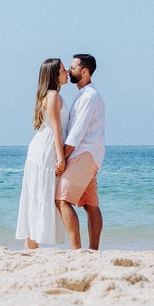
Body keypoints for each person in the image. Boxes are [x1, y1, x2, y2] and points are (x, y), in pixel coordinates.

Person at [16, 58, 69, 249]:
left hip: (43, 146)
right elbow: (57, 129)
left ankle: (30, 246)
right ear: (54, 74)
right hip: (46, 148)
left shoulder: (51, 95)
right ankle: (31, 245)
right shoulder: (53, 95)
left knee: (37, 194)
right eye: (63, 70)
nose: (67, 72)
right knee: (39, 193)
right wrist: (61, 158)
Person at [57, 54, 106, 250]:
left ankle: (76, 248)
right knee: (90, 204)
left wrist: (62, 157)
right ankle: (93, 250)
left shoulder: (89, 97)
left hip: (83, 154)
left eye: (73, 68)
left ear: (84, 71)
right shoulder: (85, 95)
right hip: (91, 154)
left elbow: (77, 133)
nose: (69, 71)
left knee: (61, 199)